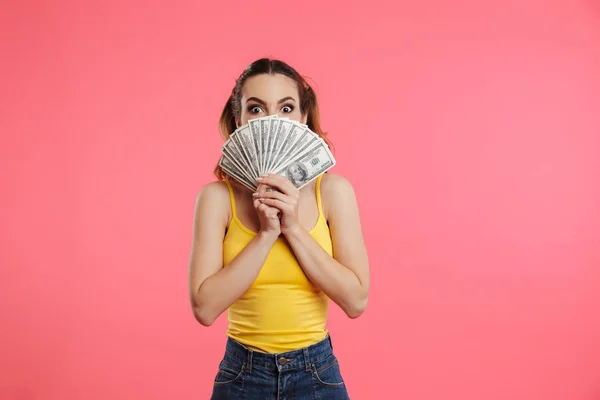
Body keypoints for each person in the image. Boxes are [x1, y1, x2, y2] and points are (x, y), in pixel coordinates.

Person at [187, 58, 370, 400]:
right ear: (238, 119)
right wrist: (266, 233)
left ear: (302, 117)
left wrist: (293, 228)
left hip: (316, 371)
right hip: (242, 373)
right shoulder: (216, 198)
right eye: (256, 109)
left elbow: (356, 300)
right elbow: (204, 308)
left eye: (286, 108)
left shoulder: (333, 192)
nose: (272, 120)